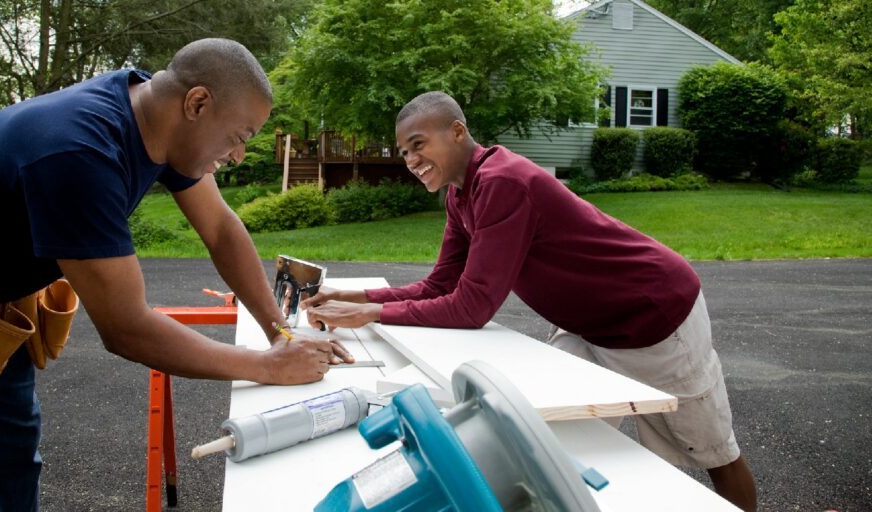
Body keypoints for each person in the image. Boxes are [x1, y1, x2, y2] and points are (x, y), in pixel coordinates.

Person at [0, 38, 352, 510]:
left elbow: (220, 228)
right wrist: (267, 366)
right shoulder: (79, 151)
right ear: (197, 104)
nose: (239, 153)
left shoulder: (156, 121)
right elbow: (126, 328)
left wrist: (277, 331)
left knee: (6, 465)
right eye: (240, 136)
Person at [302, 91, 757, 511]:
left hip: (653, 315)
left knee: (713, 450)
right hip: (587, 327)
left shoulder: (504, 181)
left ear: (457, 132)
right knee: (545, 433)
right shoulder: (461, 197)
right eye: (404, 152)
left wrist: (373, 312)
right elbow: (442, 285)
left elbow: (472, 307)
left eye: (418, 145)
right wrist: (357, 295)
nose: (411, 160)